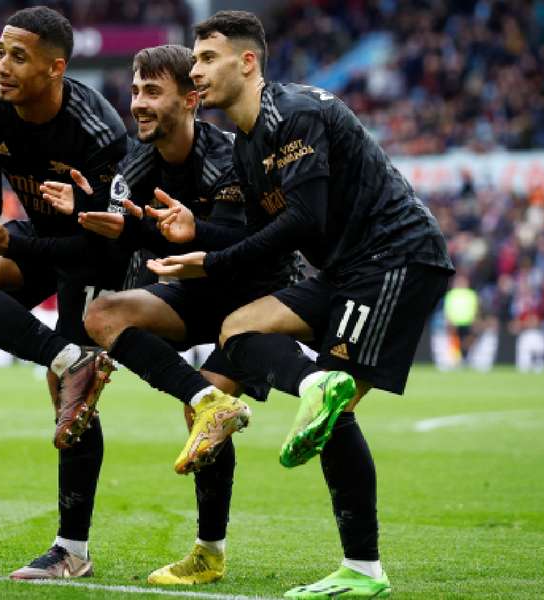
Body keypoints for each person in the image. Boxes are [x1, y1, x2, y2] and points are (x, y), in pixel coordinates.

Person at [148, 11, 455, 599]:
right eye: (194, 60)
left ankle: (362, 569)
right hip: (346, 267)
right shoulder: (246, 145)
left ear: (248, 61)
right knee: (239, 328)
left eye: (208, 58)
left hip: (395, 258)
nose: (196, 70)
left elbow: (303, 221)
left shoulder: (297, 113)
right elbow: (262, 239)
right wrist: (200, 233)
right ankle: (315, 385)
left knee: (334, 409)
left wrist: (211, 263)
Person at [64, 44, 292, 585]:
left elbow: (247, 245)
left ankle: (209, 552)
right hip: (190, 290)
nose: (138, 103)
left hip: (253, 295)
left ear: (191, 100)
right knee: (104, 317)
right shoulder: (136, 164)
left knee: (205, 427)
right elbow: (128, 245)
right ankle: (208, 400)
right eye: (136, 90)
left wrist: (181, 235)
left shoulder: (230, 157)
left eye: (152, 92)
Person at [0, 6, 129, 580]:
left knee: (69, 401)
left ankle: (72, 551)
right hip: (35, 241)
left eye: (18, 57)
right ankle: (73, 361)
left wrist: (13, 246)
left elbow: (104, 245)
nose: (2, 67)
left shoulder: (99, 132)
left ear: (56, 67)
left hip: (92, 256)